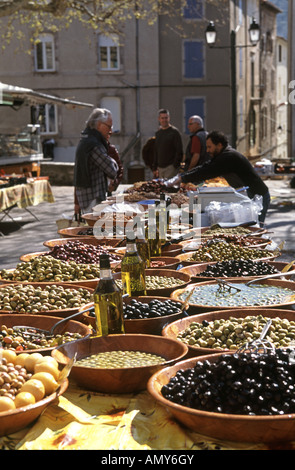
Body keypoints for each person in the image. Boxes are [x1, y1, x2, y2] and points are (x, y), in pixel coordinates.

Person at [165, 130, 271, 225]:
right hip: (248, 194)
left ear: (219, 145)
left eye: (210, 147)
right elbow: (205, 166)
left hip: (258, 196)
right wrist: (181, 176)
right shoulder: (223, 155)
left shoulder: (228, 157)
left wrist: (181, 178)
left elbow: (207, 171)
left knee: (254, 227)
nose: (207, 150)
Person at [74, 108, 119, 214]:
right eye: (109, 126)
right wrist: (113, 162)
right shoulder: (94, 145)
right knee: (96, 229)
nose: (110, 130)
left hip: (87, 197)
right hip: (93, 199)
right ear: (99, 125)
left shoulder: (86, 139)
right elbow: (112, 170)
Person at [153, 109, 183, 179]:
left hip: (171, 167)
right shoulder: (158, 133)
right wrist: (154, 167)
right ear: (159, 119)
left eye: (166, 118)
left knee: (169, 188)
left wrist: (175, 166)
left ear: (169, 118)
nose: (164, 120)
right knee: (161, 188)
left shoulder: (174, 132)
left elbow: (179, 151)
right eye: (162, 118)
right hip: (160, 168)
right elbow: (156, 150)